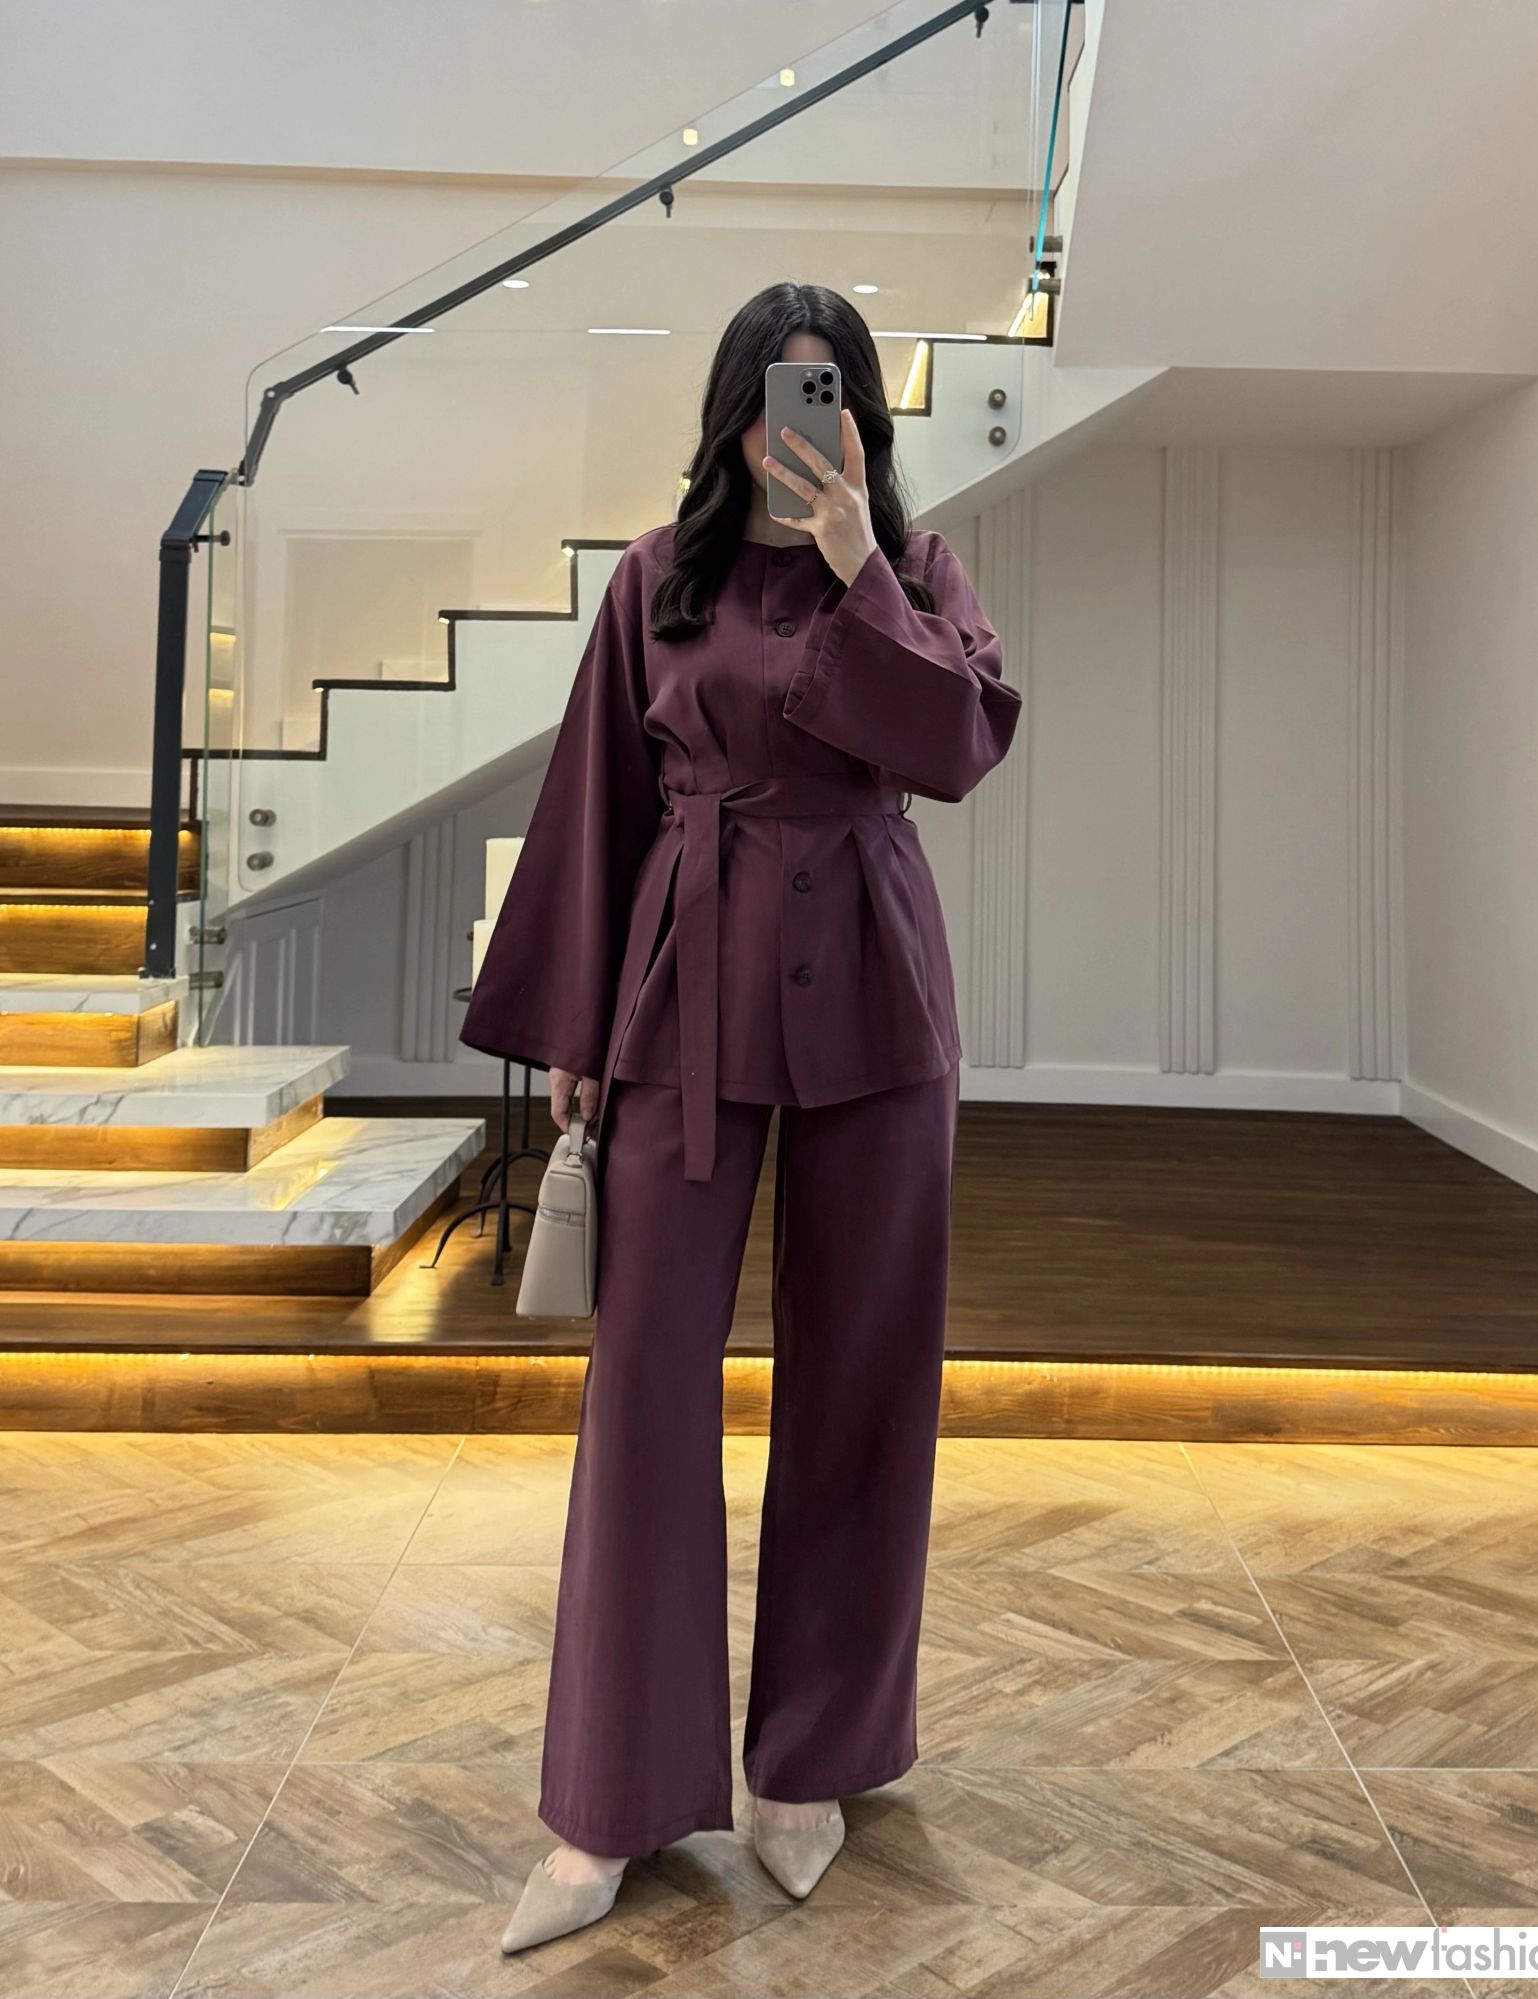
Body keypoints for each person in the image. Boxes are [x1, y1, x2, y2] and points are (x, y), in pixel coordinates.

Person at [459, 280, 1022, 1953]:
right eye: (783, 390)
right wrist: (576, 1032)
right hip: (683, 990)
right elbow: (599, 801)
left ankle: (810, 1764)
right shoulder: (659, 578)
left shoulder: (917, 571)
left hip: (875, 985)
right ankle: (609, 1799)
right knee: (643, 1378)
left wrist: (860, 570)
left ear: (864, 420)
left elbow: (960, 746)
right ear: (733, 413)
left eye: (832, 391)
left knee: (863, 1373)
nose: (806, 419)